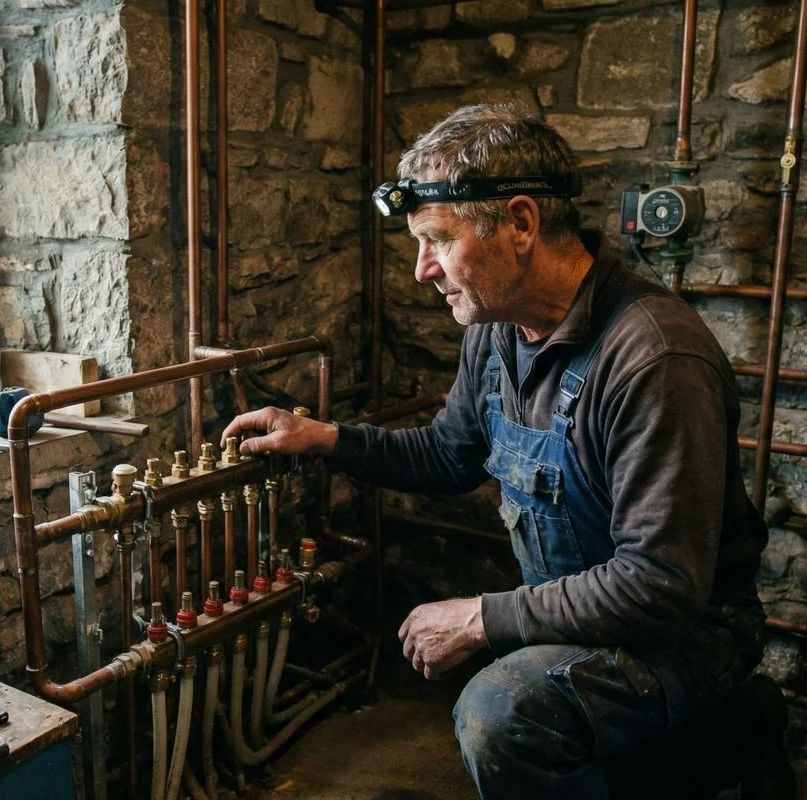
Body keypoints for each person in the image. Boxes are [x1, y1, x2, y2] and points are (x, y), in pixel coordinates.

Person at [221, 104, 778, 798]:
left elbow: (659, 582)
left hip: (687, 635)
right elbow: (450, 455)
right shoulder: (496, 329)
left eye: (437, 240)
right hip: (588, 615)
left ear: (520, 223)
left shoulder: (652, 358)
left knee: (503, 714)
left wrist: (480, 617)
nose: (422, 269)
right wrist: (323, 439)